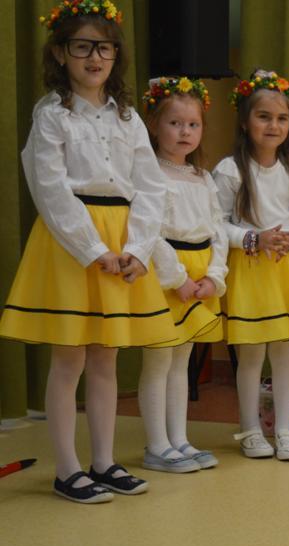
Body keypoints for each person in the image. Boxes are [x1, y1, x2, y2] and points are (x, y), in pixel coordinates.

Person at [0, 0, 172, 503]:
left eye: (104, 48)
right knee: (69, 358)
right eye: (82, 47)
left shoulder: (128, 117)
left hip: (122, 238)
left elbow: (150, 186)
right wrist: (94, 249)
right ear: (60, 53)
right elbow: (50, 189)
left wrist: (137, 247)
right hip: (72, 242)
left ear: (116, 56)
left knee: (105, 358)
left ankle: (103, 461)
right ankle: (67, 469)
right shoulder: (52, 115)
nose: (95, 58)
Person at [213, 69, 289, 461]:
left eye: (281, 118)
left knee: (284, 352)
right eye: (264, 116)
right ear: (245, 121)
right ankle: (250, 429)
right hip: (250, 270)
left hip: (286, 267)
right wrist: (254, 238)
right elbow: (217, 224)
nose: (273, 125)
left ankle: (283, 430)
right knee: (251, 355)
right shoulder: (230, 170)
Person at [137, 76, 226, 473]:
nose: (185, 132)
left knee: (182, 359)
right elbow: (149, 231)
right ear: (154, 124)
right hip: (165, 276)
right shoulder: (148, 174)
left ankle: (179, 439)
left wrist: (214, 276)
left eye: (193, 124)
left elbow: (217, 229)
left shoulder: (202, 177)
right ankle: (156, 445)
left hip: (198, 275)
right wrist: (177, 278)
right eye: (175, 123)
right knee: (159, 359)